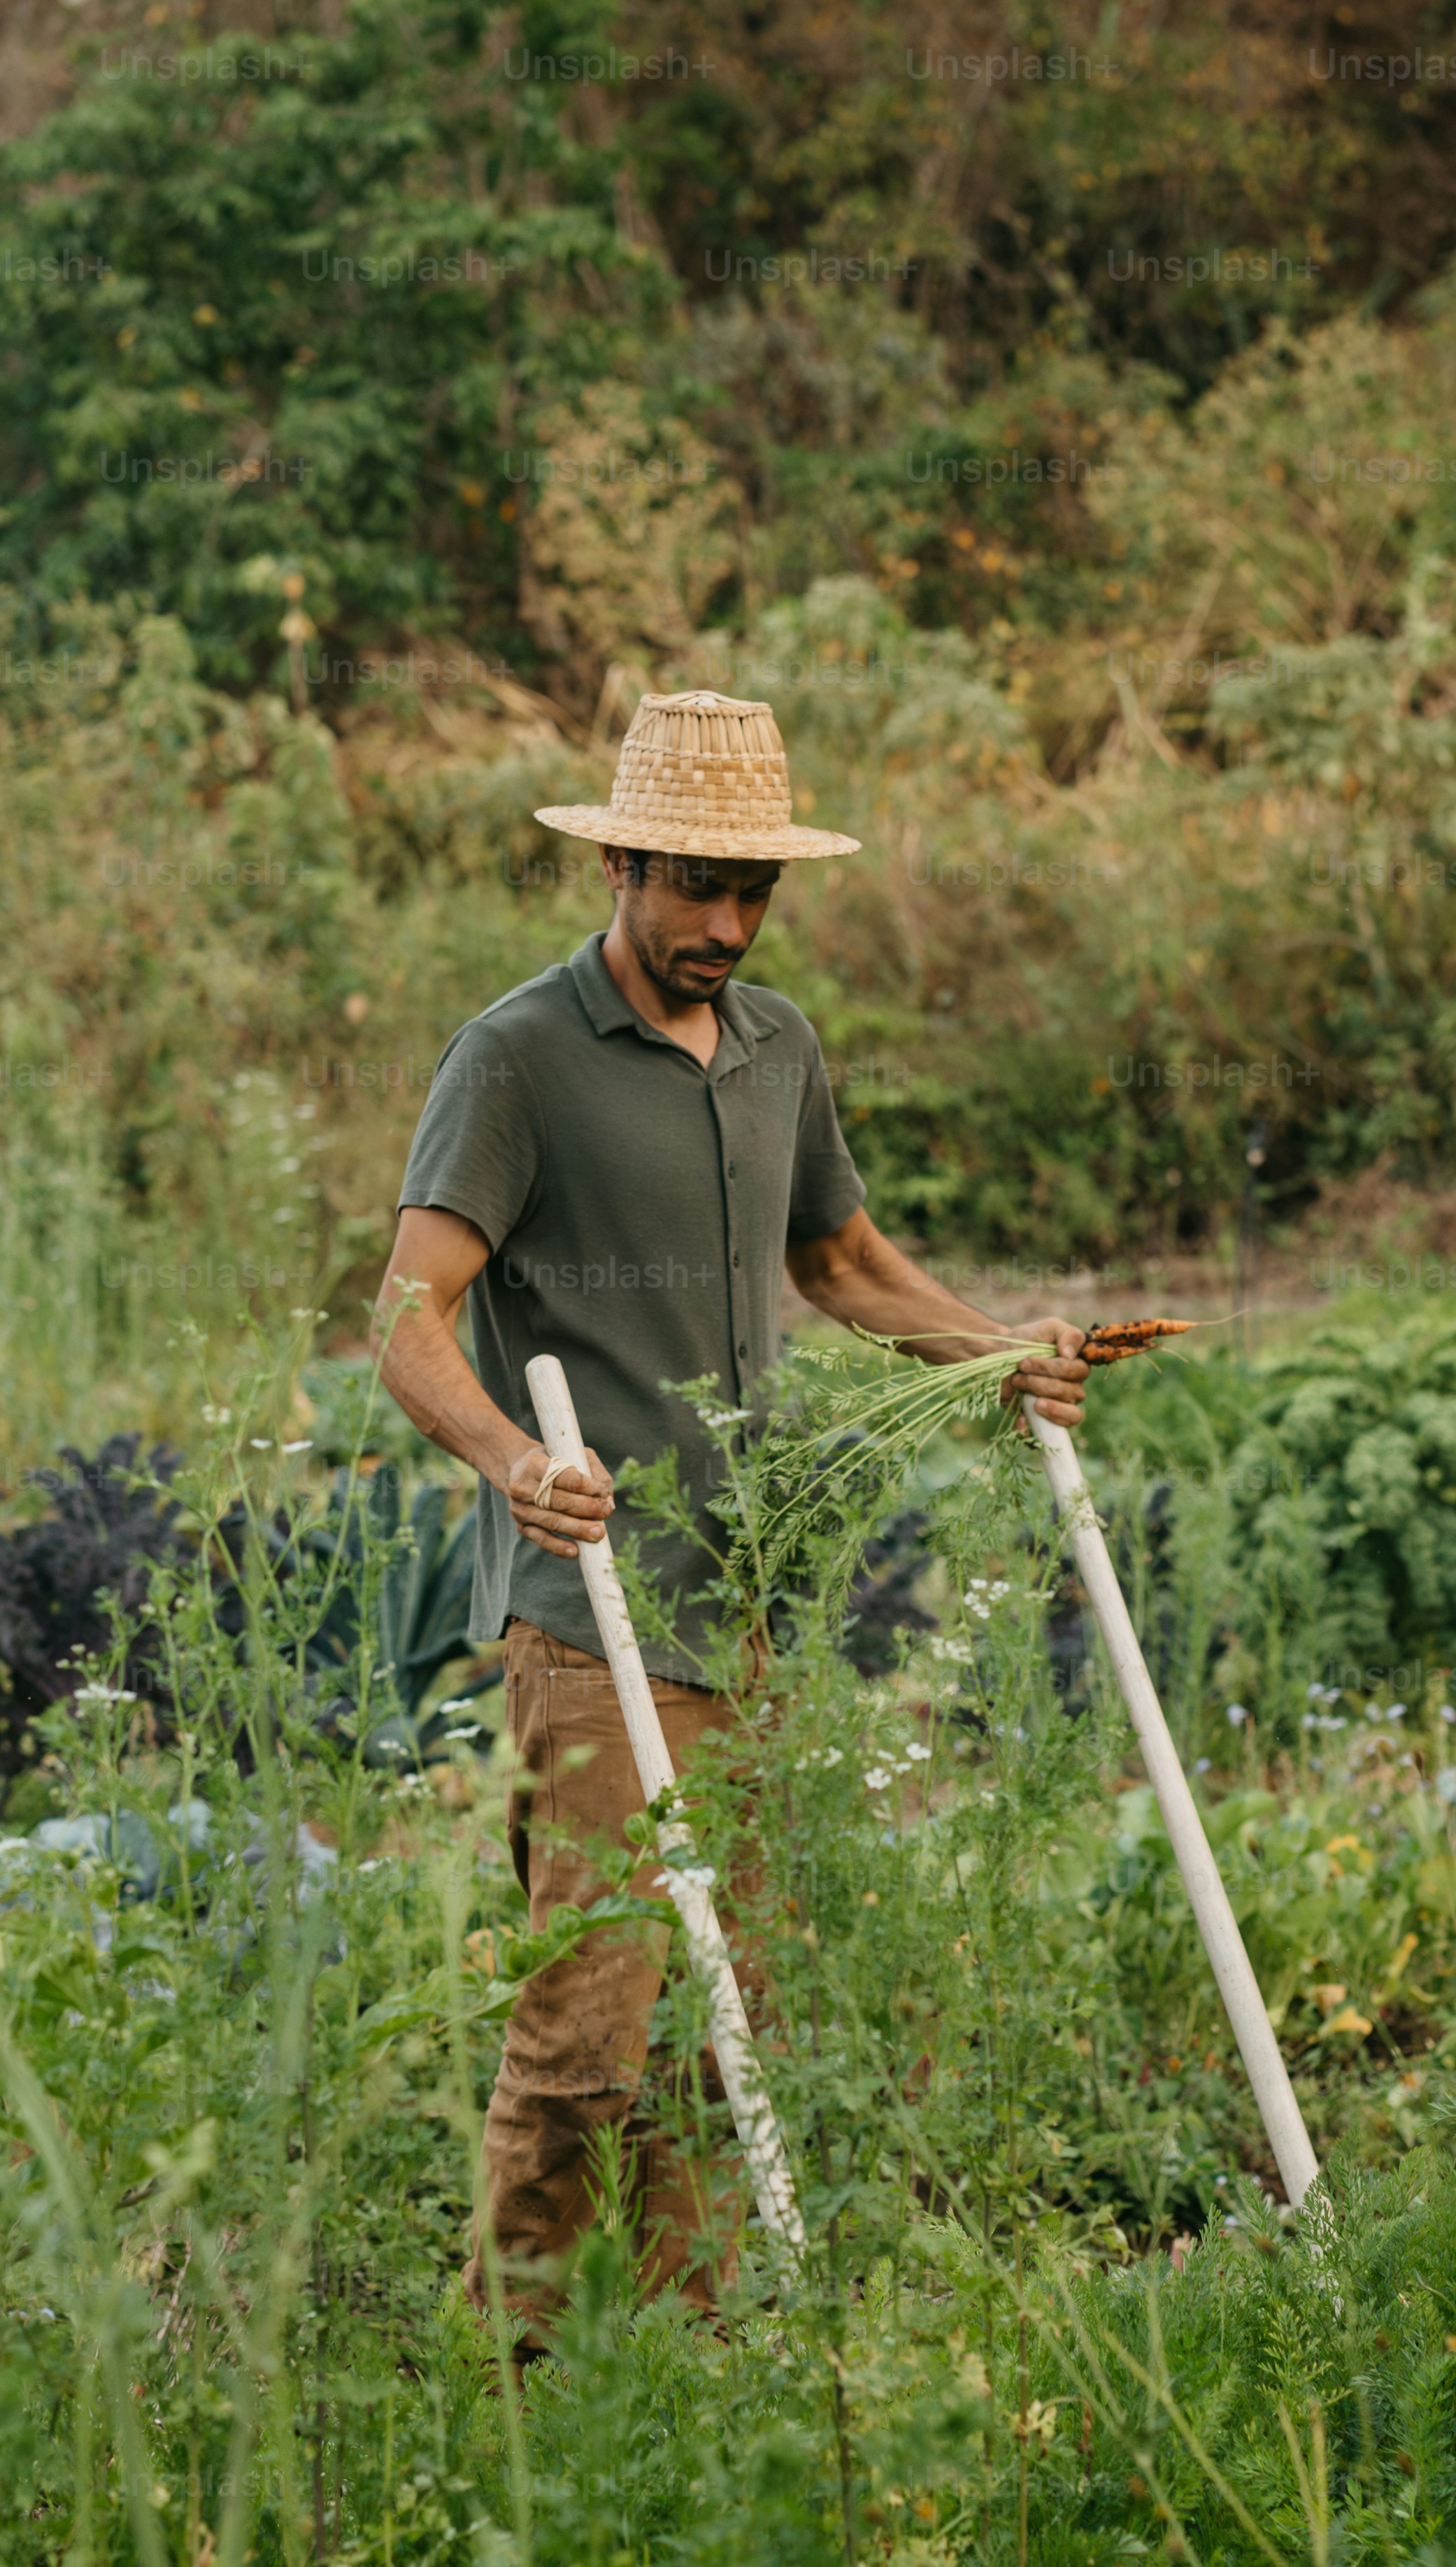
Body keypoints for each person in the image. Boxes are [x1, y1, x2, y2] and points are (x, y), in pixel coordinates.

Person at [375, 688, 1093, 2338]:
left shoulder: (779, 1053)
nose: (725, 923)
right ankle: (515, 2385)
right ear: (619, 862)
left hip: (749, 1603)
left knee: (725, 2030)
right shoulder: (518, 1060)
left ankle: (691, 2374)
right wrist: (511, 1458)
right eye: (695, 885)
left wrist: (1000, 1359)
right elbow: (406, 1317)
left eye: (752, 893)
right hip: (597, 1622)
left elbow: (837, 1261)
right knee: (585, 2035)